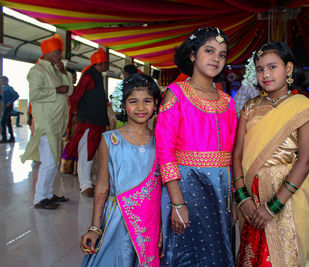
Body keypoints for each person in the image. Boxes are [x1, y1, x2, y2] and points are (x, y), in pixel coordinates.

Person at [233, 42, 309, 266]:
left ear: (288, 69)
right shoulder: (249, 107)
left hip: (287, 200)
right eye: (259, 69)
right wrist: (242, 197)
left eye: (272, 67)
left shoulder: (302, 108)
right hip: (251, 197)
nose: (265, 74)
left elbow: (306, 160)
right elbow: (237, 154)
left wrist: (274, 206)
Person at [155, 27, 237, 266]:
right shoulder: (177, 94)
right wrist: (178, 203)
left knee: (217, 253)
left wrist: (232, 199)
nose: (216, 58)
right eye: (209, 51)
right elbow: (165, 151)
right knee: (186, 254)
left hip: (220, 190)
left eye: (222, 54)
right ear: (192, 55)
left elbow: (232, 155)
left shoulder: (228, 102)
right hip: (186, 187)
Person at [80, 73, 162, 266]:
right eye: (133, 101)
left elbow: (163, 188)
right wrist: (94, 227)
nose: (141, 107)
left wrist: (163, 228)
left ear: (156, 104)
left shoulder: (161, 141)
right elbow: (101, 187)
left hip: (150, 222)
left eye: (147, 101)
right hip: (117, 221)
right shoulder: (110, 140)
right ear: (123, 105)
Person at [21, 34, 73, 209]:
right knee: (49, 161)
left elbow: (70, 91)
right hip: (46, 123)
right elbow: (34, 95)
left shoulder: (55, 69)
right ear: (48, 52)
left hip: (57, 122)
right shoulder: (37, 71)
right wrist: (56, 90)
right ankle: (39, 198)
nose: (60, 56)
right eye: (57, 52)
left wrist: (63, 73)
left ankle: (48, 194)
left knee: (55, 160)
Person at [65, 48, 110, 197]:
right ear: (101, 63)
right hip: (88, 121)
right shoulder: (88, 76)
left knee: (90, 152)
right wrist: (78, 112)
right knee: (86, 152)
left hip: (96, 121)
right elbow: (76, 96)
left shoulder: (96, 75)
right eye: (106, 62)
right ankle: (84, 185)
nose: (107, 65)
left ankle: (87, 183)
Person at [234, 52, 260, 117]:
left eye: (242, 68)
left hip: (242, 119)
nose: (240, 71)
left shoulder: (248, 84)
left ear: (248, 69)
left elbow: (257, 100)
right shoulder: (246, 83)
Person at [1, 76, 19, 143]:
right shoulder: (4, 88)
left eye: (2, 80)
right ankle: (11, 138)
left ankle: (4, 138)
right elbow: (3, 98)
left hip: (8, 108)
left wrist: (10, 102)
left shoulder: (8, 88)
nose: (1, 82)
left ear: (6, 81)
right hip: (5, 107)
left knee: (3, 122)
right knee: (8, 122)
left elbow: (16, 95)